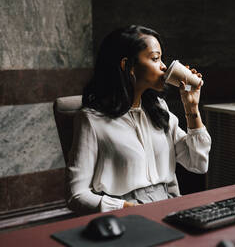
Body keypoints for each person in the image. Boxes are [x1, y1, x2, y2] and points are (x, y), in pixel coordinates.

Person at [67, 25, 211, 214]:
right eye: (155, 58)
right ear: (128, 66)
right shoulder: (91, 120)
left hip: (170, 207)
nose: (164, 67)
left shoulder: (159, 110)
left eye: (161, 58)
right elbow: (76, 195)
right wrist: (125, 208)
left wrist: (191, 108)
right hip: (124, 213)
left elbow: (199, 164)